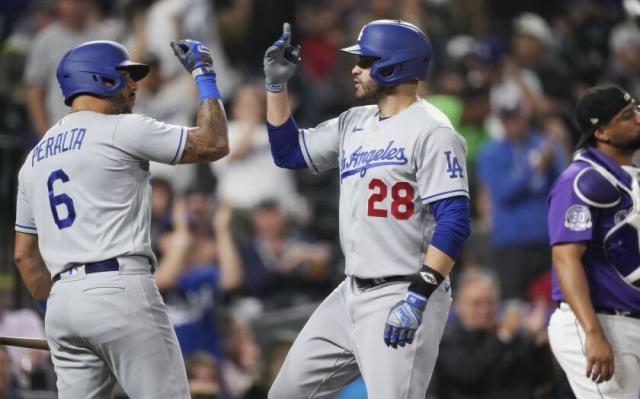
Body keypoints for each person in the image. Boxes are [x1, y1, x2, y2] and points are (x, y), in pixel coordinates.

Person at [263, 20, 472, 398]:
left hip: (403, 292)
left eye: (365, 60)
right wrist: (276, 87)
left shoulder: (433, 131)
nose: (355, 69)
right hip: (349, 292)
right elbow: (289, 153)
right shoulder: (354, 122)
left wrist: (419, 296)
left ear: (393, 66)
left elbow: (455, 220)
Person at [13, 38, 229, 398]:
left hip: (64, 302)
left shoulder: (33, 159)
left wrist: (55, 310)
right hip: (119, 290)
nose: (134, 86)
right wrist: (204, 75)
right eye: (127, 76)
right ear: (101, 78)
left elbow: (24, 255)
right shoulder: (119, 129)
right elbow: (214, 142)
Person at [547, 84, 640, 398]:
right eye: (627, 116)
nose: (638, 119)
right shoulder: (581, 180)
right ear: (601, 132)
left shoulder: (629, 177)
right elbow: (565, 258)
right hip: (599, 320)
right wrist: (592, 333)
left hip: (628, 319)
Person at [432, 267, 554, 399]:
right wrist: (502, 336)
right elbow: (470, 374)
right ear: (460, 306)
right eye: (477, 303)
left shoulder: (512, 339)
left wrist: (537, 339)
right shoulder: (447, 342)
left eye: (489, 302)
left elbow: (544, 378)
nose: (484, 310)